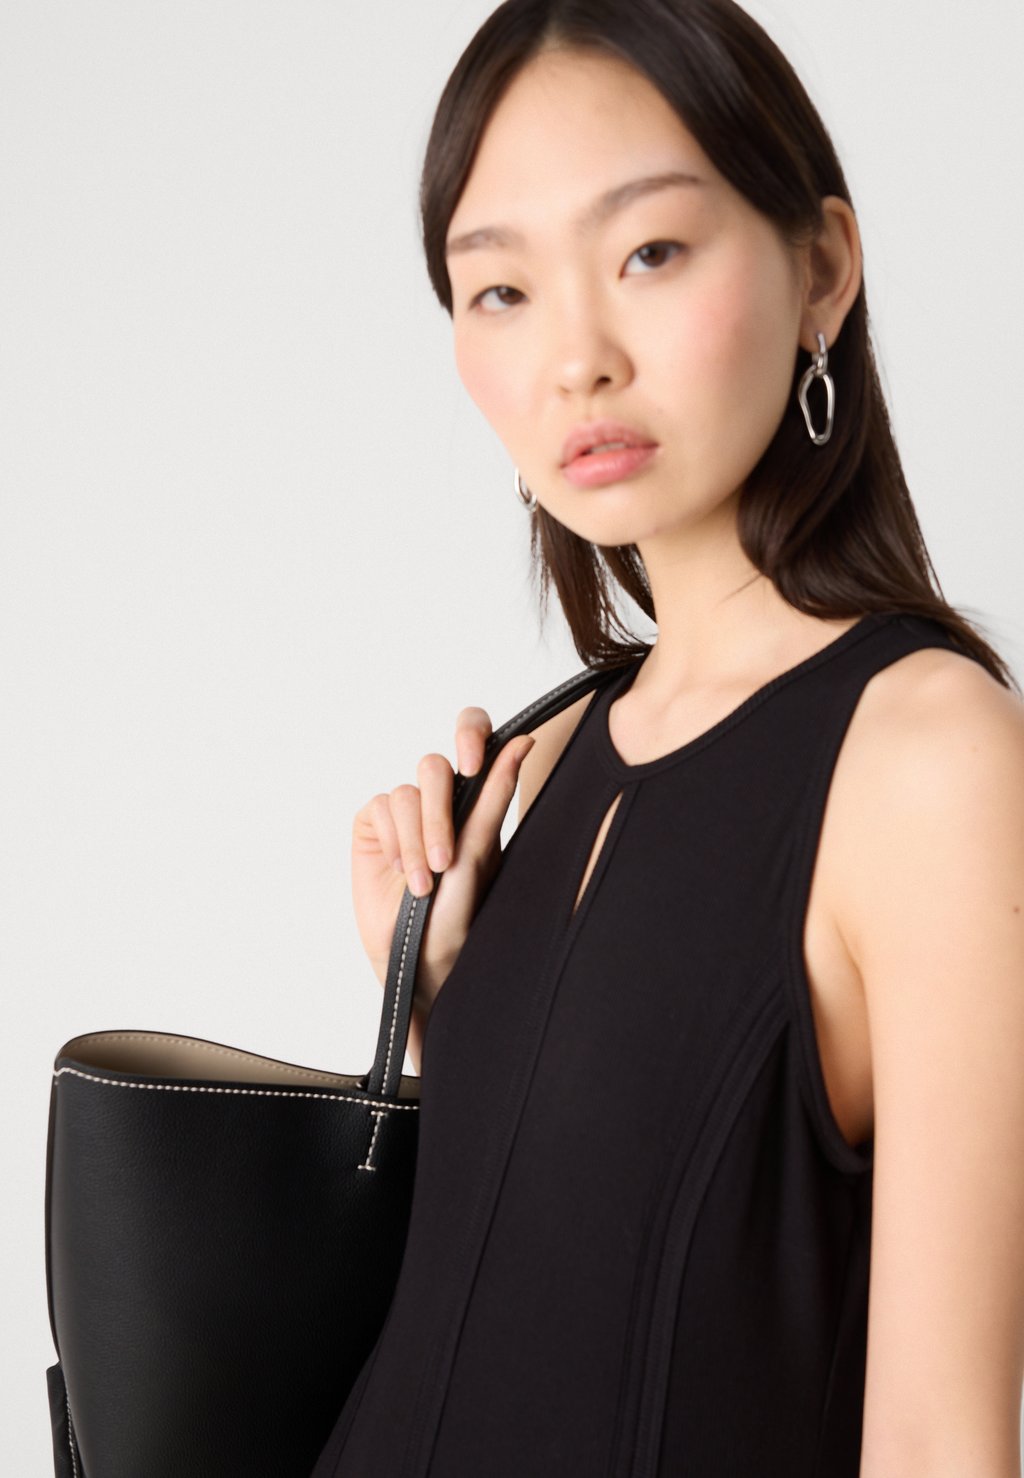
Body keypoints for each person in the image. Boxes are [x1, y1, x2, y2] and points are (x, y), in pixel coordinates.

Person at [316, 1, 1024, 1473]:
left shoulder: (931, 757)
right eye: (500, 289)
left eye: (648, 252)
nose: (575, 358)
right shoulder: (555, 750)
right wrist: (441, 994)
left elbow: (941, 1440)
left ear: (820, 268)